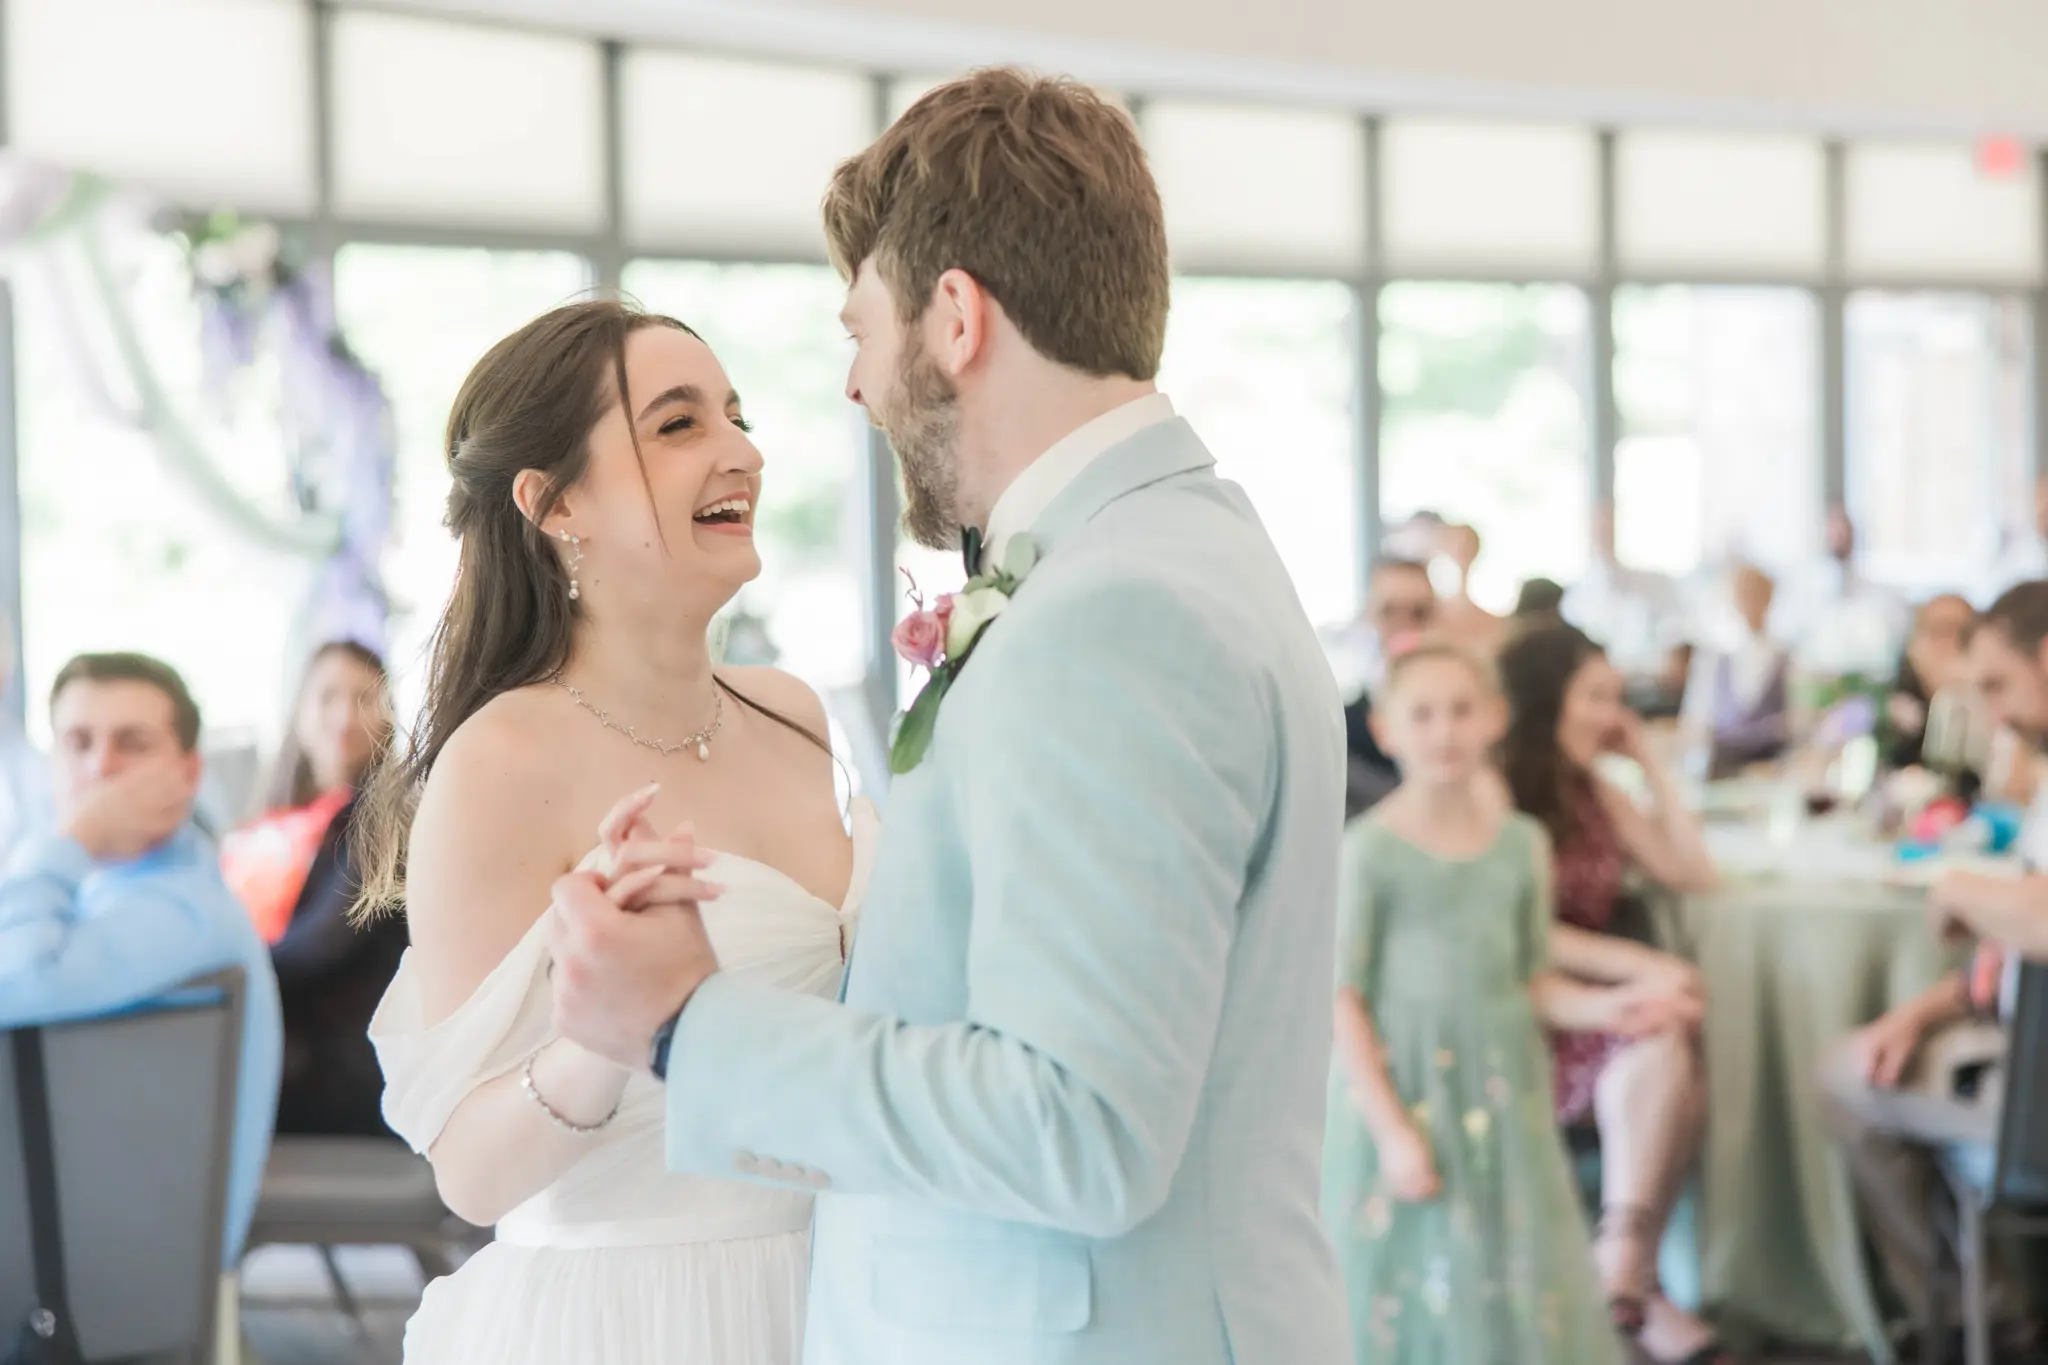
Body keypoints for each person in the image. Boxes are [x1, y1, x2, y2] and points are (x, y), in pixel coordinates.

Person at [546, 68, 1351, 1365]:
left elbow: (1079, 1126)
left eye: (862, 330)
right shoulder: (1180, 548)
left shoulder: (1112, 613)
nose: (855, 387)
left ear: (958, 319)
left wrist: (690, 1019)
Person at [352, 299, 864, 1364]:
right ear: (555, 502)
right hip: (628, 1319)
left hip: (837, 1294)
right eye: (679, 425)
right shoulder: (503, 760)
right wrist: (601, 1040)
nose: (743, 452)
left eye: (737, 415)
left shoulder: (793, 714)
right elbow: (470, 1176)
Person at [1324, 640, 1697, 1363]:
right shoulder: (1370, 851)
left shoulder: (1521, 845)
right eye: (1423, 714)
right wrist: (1393, 1131)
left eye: (1461, 710)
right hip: (1408, 1091)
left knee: (1504, 1272)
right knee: (1413, 1277)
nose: (1445, 731)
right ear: (1386, 730)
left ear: (1495, 718)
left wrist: (1608, 1010)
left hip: (1501, 1092)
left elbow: (1531, 980)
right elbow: (1345, 999)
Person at [1819, 581, 2048, 1350]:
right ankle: (1986, 1307)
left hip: (2035, 1091)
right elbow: (2010, 962)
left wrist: (1959, 886)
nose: (1994, 712)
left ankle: (1984, 1318)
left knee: (1840, 1081)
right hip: (2015, 1046)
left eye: (1998, 685)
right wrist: (1911, 1016)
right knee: (1867, 1055)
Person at [0, 652, 282, 1264]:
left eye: (132, 743)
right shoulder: (106, 890)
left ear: (188, 772)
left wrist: (73, 836)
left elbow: (15, 981)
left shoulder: (186, 911)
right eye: (77, 742)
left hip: (106, 1266)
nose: (100, 766)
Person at [1496, 624, 1726, 1365]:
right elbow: (1511, 930)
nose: (1610, 715)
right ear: (1546, 700)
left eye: (1616, 698)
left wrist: (1650, 759)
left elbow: (1694, 873)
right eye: (1594, 696)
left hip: (1598, 1009)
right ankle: (1636, 1283)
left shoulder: (1593, 789)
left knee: (1668, 1033)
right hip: (1521, 1003)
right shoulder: (1492, 791)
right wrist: (1639, 965)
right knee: (1664, 1030)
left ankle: (1625, 1272)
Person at [221, 641, 406, 1136]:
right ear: (300, 708)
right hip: (276, 1024)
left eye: (364, 698)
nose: (344, 716)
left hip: (338, 1054)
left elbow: (321, 945)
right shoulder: (270, 824)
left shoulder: (385, 824)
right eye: (327, 697)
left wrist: (217, 973)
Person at [1342, 557, 1438, 816]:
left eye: (1419, 612)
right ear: (1367, 615)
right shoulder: (1343, 728)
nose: (1404, 625)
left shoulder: (1468, 717)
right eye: (1388, 611)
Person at [1680, 563, 1792, 779]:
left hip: (1771, 768)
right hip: (1723, 769)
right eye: (1745, 594)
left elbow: (1796, 722)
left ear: (1770, 598)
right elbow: (1696, 719)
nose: (1751, 602)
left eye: (1758, 594)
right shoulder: (1713, 658)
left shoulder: (1785, 658)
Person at [1882, 593, 1976, 770]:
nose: (1950, 641)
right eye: (1940, 630)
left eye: (1962, 631)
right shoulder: (1904, 698)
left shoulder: (1989, 702)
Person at [1436, 522, 1506, 650]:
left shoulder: (1496, 619)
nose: (1461, 550)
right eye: (1456, 545)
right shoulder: (1430, 612)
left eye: (1467, 546)